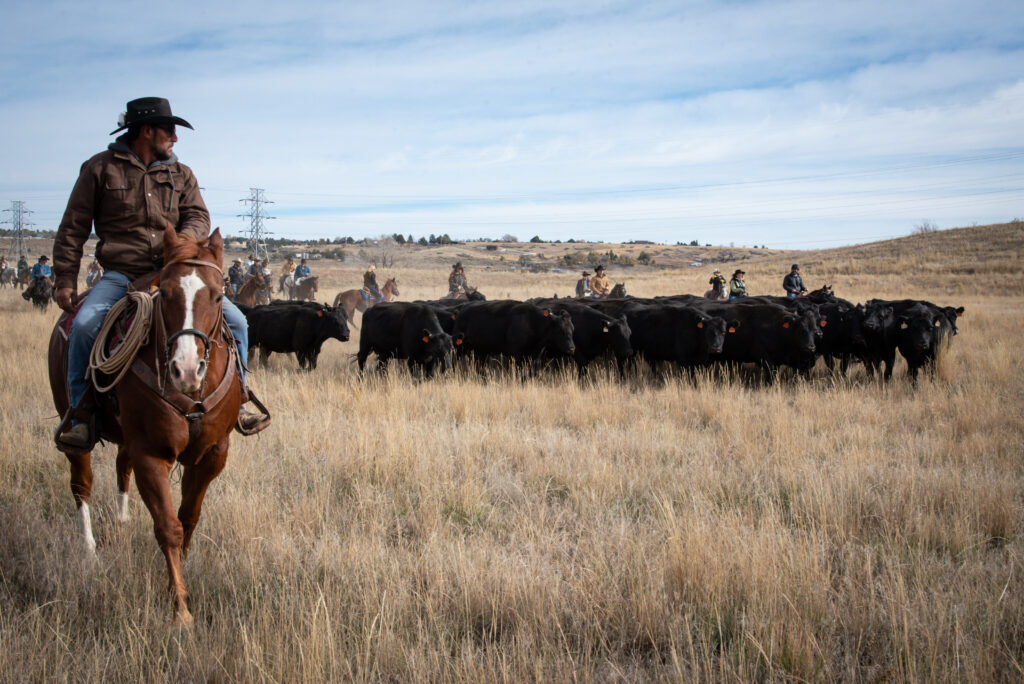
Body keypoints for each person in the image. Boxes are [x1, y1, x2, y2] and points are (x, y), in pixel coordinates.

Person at [52, 97, 267, 451]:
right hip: (122, 274)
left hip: (175, 274)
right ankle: (81, 412)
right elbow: (73, 226)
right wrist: (64, 278)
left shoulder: (182, 174)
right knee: (85, 324)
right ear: (146, 130)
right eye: (169, 129)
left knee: (239, 323)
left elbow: (199, 216)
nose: (175, 138)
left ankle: (239, 399)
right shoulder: (100, 168)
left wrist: (181, 244)